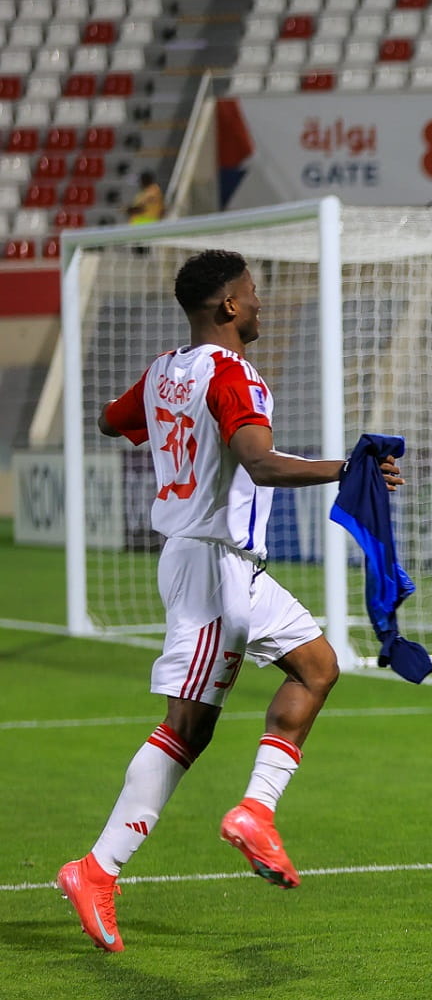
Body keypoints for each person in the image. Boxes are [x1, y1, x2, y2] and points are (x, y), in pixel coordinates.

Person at [57, 250, 403, 953]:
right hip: (213, 566)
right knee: (187, 727)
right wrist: (348, 465)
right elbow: (260, 461)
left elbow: (108, 419)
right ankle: (97, 868)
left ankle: (255, 811)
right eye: (252, 294)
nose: (259, 304)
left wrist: (170, 431)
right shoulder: (233, 374)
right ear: (228, 308)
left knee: (317, 666)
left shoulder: (164, 370)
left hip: (227, 566)